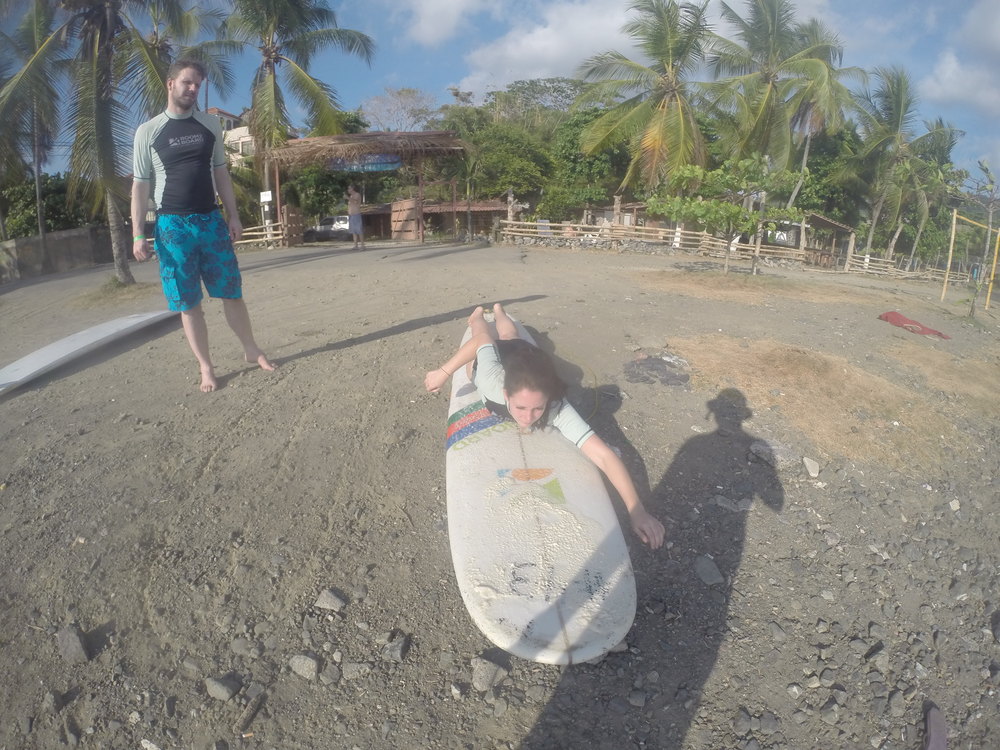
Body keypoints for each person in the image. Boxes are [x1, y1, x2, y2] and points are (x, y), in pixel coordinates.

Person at [425, 304, 665, 549]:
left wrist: (637, 512)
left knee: (511, 337)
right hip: (497, 358)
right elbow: (483, 340)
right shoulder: (490, 379)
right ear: (506, 395)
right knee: (481, 338)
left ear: (548, 399)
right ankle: (478, 315)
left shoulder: (556, 407)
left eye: (537, 409)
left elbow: (603, 456)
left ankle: (499, 312)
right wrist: (443, 372)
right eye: (520, 408)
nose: (528, 418)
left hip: (525, 355)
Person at [130, 59, 275, 393]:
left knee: (231, 292)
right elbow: (140, 186)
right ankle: (206, 367)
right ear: (170, 84)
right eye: (187, 83)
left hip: (211, 220)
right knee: (188, 302)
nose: (193, 89)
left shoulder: (210, 125)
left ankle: (251, 349)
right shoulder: (148, 132)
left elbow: (221, 173)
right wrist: (138, 232)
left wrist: (234, 216)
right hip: (172, 227)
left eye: (198, 84)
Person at [347, 184, 365, 249]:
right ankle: (355, 245)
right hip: (351, 215)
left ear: (353, 188)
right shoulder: (351, 196)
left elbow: (356, 202)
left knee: (359, 230)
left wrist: (348, 198)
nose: (348, 190)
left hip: (356, 215)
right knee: (353, 231)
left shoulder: (357, 195)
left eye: (349, 188)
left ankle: (362, 245)